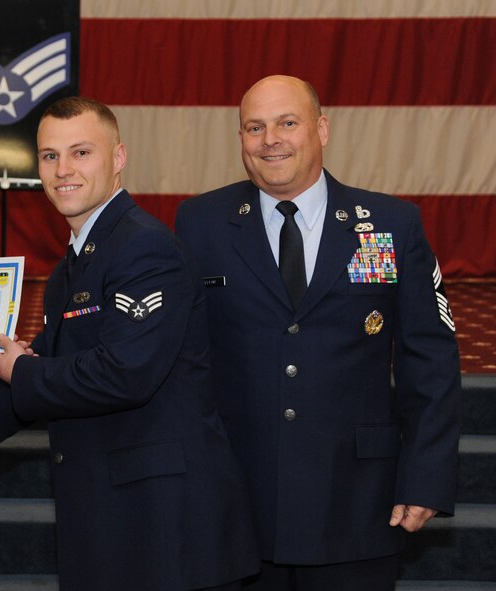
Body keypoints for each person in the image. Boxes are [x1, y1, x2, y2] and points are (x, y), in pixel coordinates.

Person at [0, 96, 260, 590]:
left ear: (118, 159)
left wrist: (23, 372)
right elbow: (43, 370)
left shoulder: (144, 247)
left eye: (81, 153)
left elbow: (124, 374)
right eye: (50, 156)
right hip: (112, 519)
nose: (63, 169)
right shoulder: (75, 266)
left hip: (165, 530)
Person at [174, 75, 462, 591]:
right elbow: (177, 353)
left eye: (288, 122)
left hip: (355, 502)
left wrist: (426, 476)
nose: (270, 140)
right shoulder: (201, 223)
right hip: (236, 499)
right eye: (254, 127)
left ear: (321, 129)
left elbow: (430, 360)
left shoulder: (390, 224)